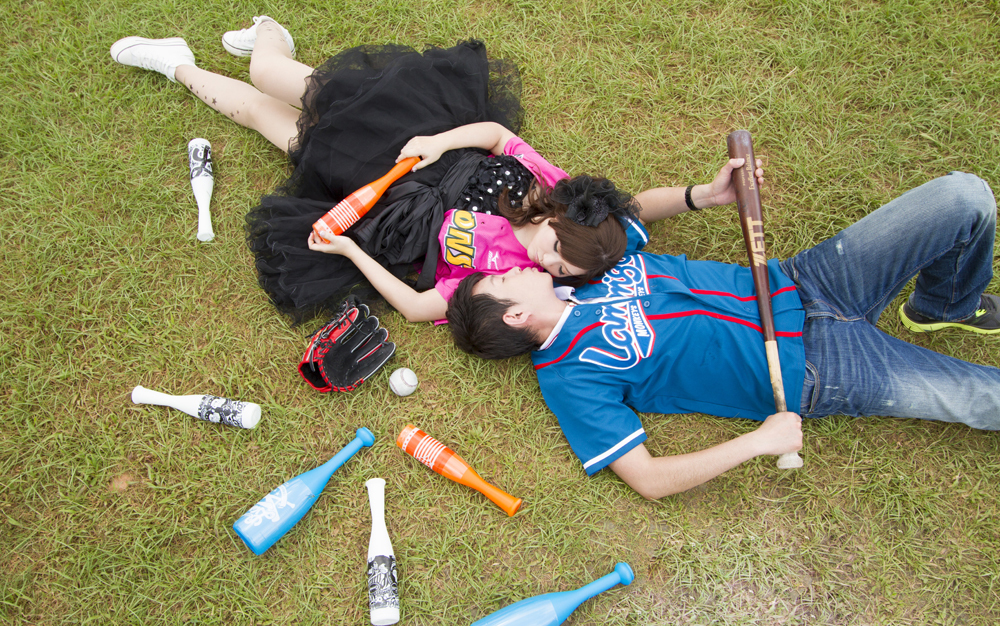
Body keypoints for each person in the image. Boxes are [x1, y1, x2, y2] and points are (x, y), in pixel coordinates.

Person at [110, 18, 760, 323]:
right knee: (268, 74)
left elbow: (424, 307)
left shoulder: (510, 278)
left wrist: (349, 250)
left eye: (563, 272)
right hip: (408, 138)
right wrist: (703, 196)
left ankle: (176, 63)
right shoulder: (547, 186)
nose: (551, 264)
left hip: (370, 195)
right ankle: (269, 33)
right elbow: (501, 136)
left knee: (260, 115)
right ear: (563, 216)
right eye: (559, 248)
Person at [446, 171, 1000, 499]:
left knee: (964, 197)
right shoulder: (568, 376)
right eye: (503, 280)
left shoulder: (582, 266)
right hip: (814, 368)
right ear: (515, 316)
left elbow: (635, 211)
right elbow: (648, 479)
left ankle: (942, 305)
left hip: (807, 279)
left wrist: (705, 195)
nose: (515, 268)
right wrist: (759, 442)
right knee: (988, 397)